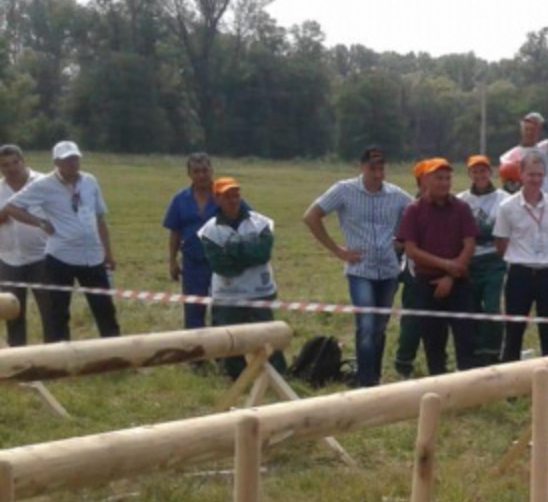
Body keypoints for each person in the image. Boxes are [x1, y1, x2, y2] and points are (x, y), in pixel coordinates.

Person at [304, 147, 411, 387]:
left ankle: (375, 376)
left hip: (389, 270)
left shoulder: (396, 195)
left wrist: (403, 240)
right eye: (372, 168)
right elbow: (311, 216)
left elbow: (418, 213)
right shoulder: (344, 190)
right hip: (360, 270)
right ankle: (365, 381)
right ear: (362, 167)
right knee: (366, 325)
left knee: (380, 328)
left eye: (381, 168)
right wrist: (337, 250)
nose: (377, 174)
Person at [1, 141, 120, 343]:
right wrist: (40, 222)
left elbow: (100, 218)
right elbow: (11, 207)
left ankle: (116, 354)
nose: (72, 163)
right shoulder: (43, 185)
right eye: (66, 160)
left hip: (83, 257)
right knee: (46, 312)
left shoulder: (89, 181)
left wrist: (108, 253)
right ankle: (44, 359)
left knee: (102, 308)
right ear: (57, 162)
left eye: (75, 158)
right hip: (48, 258)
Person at [396, 159, 478, 376]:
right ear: (425, 180)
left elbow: (469, 245)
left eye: (447, 178)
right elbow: (411, 249)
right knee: (433, 341)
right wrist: (445, 265)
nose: (444, 183)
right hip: (426, 284)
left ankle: (468, 387)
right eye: (438, 178)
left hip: (459, 282)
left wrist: (451, 275)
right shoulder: (414, 210)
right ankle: (440, 389)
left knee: (466, 338)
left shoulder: (462, 208)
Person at [197, 177, 284, 378]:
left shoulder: (262, 222)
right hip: (227, 295)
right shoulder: (209, 231)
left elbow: (263, 254)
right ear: (217, 199)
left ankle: (276, 377)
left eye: (236, 194)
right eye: (228, 196)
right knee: (228, 340)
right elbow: (222, 266)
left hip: (259, 292)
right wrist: (247, 251)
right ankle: (232, 378)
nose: (234, 199)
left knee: (267, 338)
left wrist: (232, 249)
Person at [494, 150, 548, 361]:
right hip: (520, 274)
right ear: (521, 174)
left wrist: (546, 259)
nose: (536, 179)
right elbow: (501, 242)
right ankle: (510, 387)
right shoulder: (507, 207)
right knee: (514, 333)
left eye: (540, 175)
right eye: (531, 174)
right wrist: (521, 257)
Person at [162, 153, 233, 330]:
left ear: (212, 171)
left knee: (223, 310)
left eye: (204, 170)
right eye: (196, 171)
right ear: (189, 174)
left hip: (221, 263)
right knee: (193, 311)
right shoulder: (180, 200)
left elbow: (246, 221)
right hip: (192, 264)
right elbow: (175, 232)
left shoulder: (225, 196)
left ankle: (222, 353)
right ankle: (197, 354)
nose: (201, 175)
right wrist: (172, 261)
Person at [457, 156, 509, 365]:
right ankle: (476, 352)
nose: (480, 175)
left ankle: (493, 350)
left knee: (492, 308)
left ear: (491, 172)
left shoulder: (504, 199)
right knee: (471, 308)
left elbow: (503, 231)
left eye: (483, 171)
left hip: (495, 260)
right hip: (469, 261)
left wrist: (477, 232)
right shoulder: (461, 200)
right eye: (475, 171)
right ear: (469, 174)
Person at [0, 144, 45, 347]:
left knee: (51, 310)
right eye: (5, 165)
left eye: (15, 162)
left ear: (23, 161)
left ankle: (56, 356)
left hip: (43, 257)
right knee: (12, 311)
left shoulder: (44, 183)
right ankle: (18, 357)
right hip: (9, 259)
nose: (11, 168)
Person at [498, 111, 548, 197]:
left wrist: (544, 124)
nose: (529, 133)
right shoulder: (508, 156)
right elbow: (508, 186)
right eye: (527, 129)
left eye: (533, 129)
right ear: (521, 131)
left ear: (539, 132)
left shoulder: (546, 149)